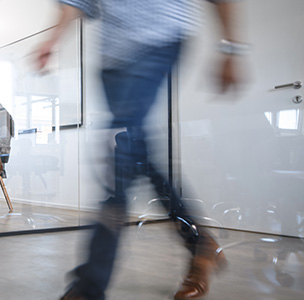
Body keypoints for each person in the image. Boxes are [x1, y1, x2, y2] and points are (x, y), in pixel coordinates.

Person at [37, 1, 243, 300]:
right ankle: (200, 244)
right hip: (111, 60)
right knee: (137, 151)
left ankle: (90, 285)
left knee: (119, 155)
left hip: (159, 39)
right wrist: (52, 39)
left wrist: (230, 49)